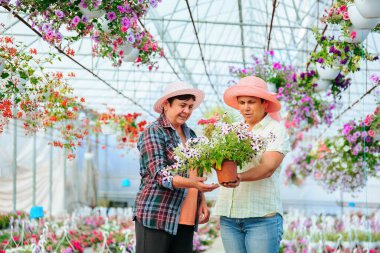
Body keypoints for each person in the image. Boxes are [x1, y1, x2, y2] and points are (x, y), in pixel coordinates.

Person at [134, 82, 219, 253]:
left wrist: (201, 200)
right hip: (158, 214)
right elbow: (161, 174)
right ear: (166, 104)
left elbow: (196, 171)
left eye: (190, 106)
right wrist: (194, 184)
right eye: (182, 105)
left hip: (186, 218)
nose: (187, 111)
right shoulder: (154, 132)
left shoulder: (191, 135)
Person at [213, 76, 290, 253]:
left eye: (251, 102)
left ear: (264, 103)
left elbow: (268, 167)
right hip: (229, 217)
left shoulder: (275, 130)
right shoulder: (232, 130)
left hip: (261, 218)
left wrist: (238, 176)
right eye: (241, 102)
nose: (245, 107)